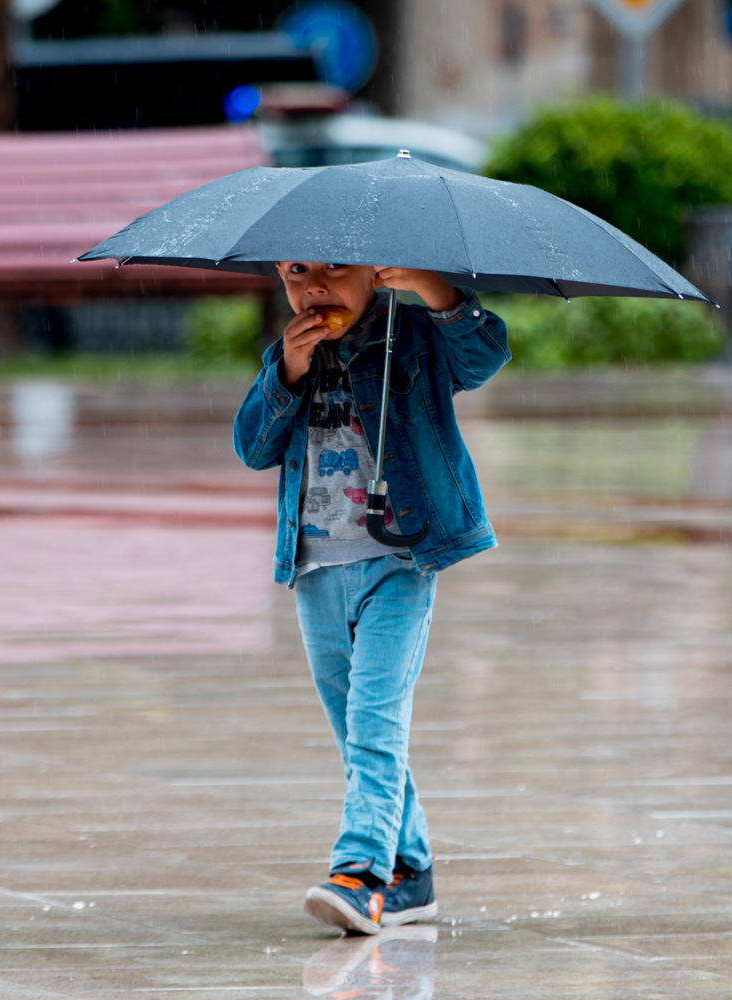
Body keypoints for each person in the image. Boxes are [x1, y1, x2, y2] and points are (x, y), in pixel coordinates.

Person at [233, 261, 509, 934]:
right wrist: (287, 374)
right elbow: (252, 446)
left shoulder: (413, 333)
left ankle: (361, 873)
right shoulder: (290, 352)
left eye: (335, 270)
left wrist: (433, 289)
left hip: (400, 557)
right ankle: (412, 873)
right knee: (356, 729)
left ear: (376, 270)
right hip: (315, 567)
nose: (316, 288)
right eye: (298, 272)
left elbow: (484, 355)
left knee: (375, 719)